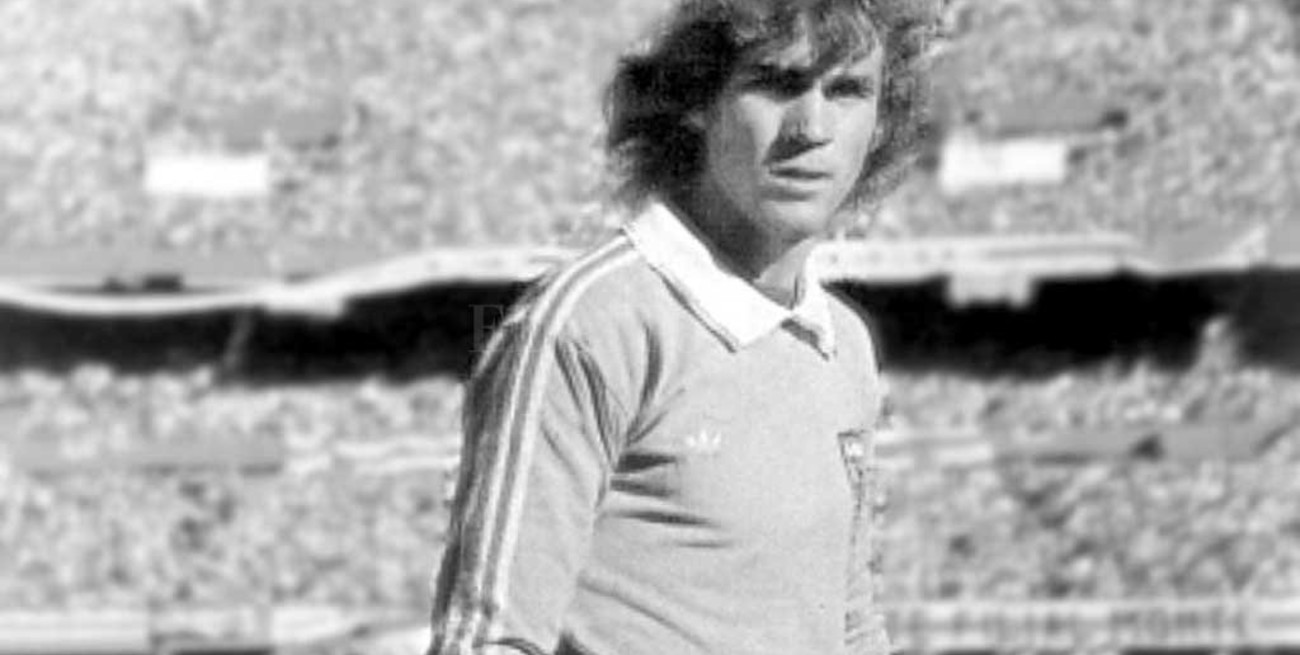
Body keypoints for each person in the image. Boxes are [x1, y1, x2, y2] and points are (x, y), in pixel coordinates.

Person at [427, 1, 936, 653]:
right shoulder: (593, 323)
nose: (812, 127)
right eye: (775, 82)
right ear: (697, 104)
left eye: (847, 90)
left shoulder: (844, 346)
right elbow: (491, 639)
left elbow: (851, 622)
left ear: (881, 121)